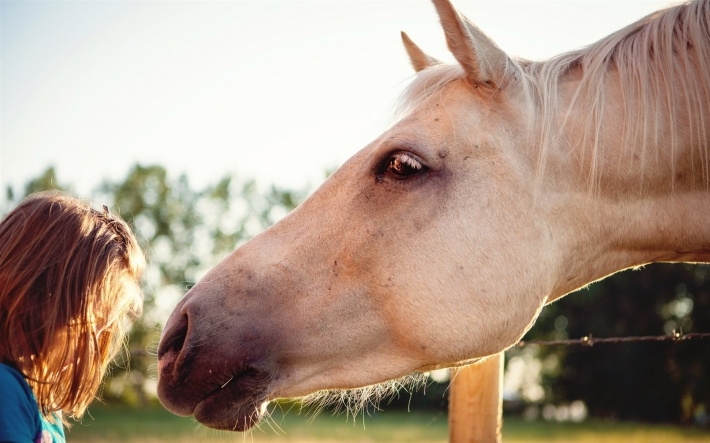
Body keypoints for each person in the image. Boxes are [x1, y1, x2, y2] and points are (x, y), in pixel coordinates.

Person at [0, 191, 145, 442]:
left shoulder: (43, 407)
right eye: (89, 321)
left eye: (104, 327)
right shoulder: (5, 390)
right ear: (27, 293)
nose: (95, 342)